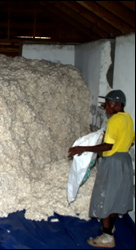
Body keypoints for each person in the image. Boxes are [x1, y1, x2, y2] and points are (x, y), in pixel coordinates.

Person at [68, 89, 135, 248]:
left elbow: (108, 145)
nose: (106, 107)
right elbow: (131, 140)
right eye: (106, 104)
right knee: (116, 196)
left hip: (112, 162)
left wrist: (83, 149)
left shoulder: (114, 121)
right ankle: (110, 226)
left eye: (109, 104)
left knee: (104, 197)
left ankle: (107, 237)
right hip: (124, 161)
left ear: (119, 104)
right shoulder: (128, 119)